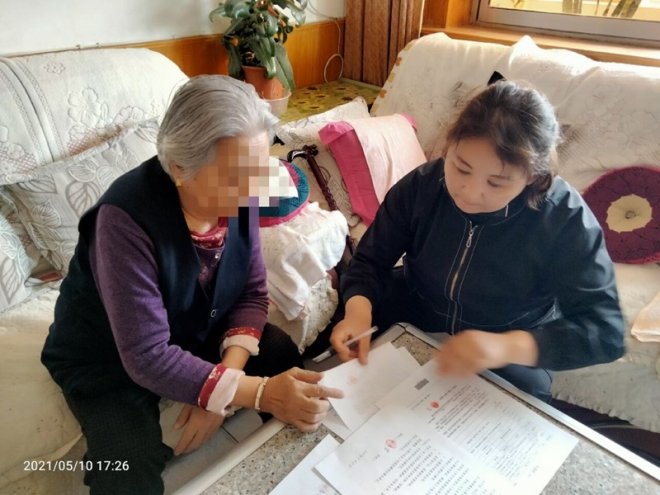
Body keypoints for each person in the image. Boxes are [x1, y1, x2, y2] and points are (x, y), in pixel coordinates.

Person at [41, 75, 343, 495]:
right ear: (180, 169)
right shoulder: (123, 221)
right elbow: (147, 356)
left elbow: (252, 293)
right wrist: (255, 394)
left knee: (279, 353)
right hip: (109, 354)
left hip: (193, 324)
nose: (254, 191)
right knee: (127, 463)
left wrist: (222, 389)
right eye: (236, 178)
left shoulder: (242, 192)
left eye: (260, 169)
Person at [330, 80, 625, 402]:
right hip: (417, 302)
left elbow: (605, 331)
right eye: (461, 167)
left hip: (509, 332)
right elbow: (370, 261)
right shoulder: (423, 185)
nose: (470, 193)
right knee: (341, 347)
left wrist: (504, 347)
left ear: (533, 177)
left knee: (520, 403)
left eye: (497, 182)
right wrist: (357, 313)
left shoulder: (564, 217)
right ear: (449, 146)